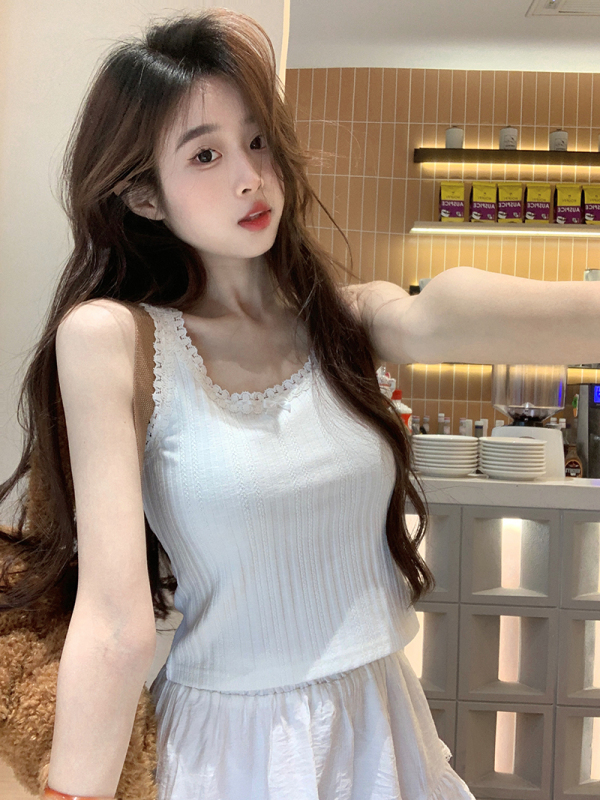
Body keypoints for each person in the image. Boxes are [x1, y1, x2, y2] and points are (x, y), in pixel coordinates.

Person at [1, 7, 599, 800]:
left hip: (383, 721)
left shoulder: (343, 320)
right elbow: (115, 622)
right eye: (205, 154)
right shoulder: (116, 339)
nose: (250, 175)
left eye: (257, 142)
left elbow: (440, 315)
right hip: (233, 748)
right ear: (145, 196)